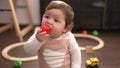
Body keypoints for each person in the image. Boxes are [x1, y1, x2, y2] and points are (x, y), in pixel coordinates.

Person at [24, 1, 81, 68]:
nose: (49, 21)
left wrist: (75, 66)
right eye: (47, 17)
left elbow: (75, 53)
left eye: (56, 20)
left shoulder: (68, 37)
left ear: (65, 28)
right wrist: (37, 40)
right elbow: (28, 51)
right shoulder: (39, 34)